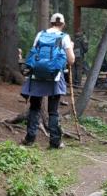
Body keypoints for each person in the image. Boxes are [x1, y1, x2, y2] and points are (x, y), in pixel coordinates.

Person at [21, 13, 76, 149]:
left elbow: (33, 53)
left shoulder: (40, 34)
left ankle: (30, 139)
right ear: (63, 24)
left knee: (34, 107)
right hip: (54, 78)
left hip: (36, 77)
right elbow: (71, 60)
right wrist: (71, 48)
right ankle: (55, 142)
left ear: (51, 23)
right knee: (53, 111)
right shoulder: (64, 37)